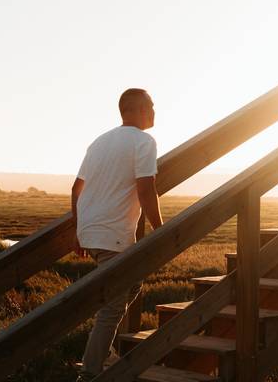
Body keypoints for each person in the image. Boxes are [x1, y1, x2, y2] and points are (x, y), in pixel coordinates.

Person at [71, 88, 163, 381]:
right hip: (113, 234)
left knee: (131, 285)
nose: (154, 111)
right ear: (135, 109)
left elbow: (76, 189)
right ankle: (90, 372)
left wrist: (78, 229)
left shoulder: (99, 142)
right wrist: (161, 231)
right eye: (151, 105)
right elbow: (146, 189)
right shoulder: (144, 142)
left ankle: (100, 353)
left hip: (91, 230)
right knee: (113, 306)